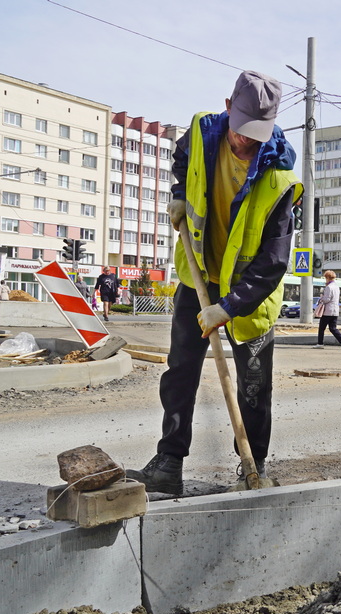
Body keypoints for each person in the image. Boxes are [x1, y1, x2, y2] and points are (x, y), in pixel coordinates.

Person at [125, 70, 300, 494]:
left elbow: (273, 262)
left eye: (257, 134)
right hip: (199, 274)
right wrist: (180, 194)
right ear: (228, 109)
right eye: (241, 131)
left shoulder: (281, 181)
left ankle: (252, 464)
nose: (246, 142)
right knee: (181, 371)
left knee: (254, 385)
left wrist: (229, 306)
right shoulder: (202, 132)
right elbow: (182, 159)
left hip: (249, 295)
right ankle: (168, 463)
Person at [314, 270, 341, 349]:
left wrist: (321, 299)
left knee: (321, 328)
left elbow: (327, 299)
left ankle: (320, 343)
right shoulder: (337, 287)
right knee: (333, 328)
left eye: (325, 277)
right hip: (335, 311)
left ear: (327, 277)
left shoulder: (328, 287)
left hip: (327, 311)